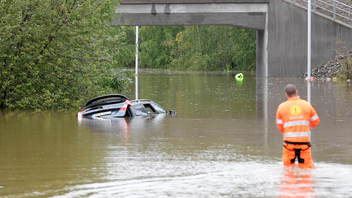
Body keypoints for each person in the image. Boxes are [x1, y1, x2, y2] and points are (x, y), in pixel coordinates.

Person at [276, 84, 320, 168]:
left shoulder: (281, 107)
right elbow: (316, 120)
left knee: (288, 169)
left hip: (289, 143)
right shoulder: (306, 105)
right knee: (306, 169)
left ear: (286, 94)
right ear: (296, 92)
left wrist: (288, 132)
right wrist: (308, 128)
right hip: (304, 143)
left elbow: (279, 125)